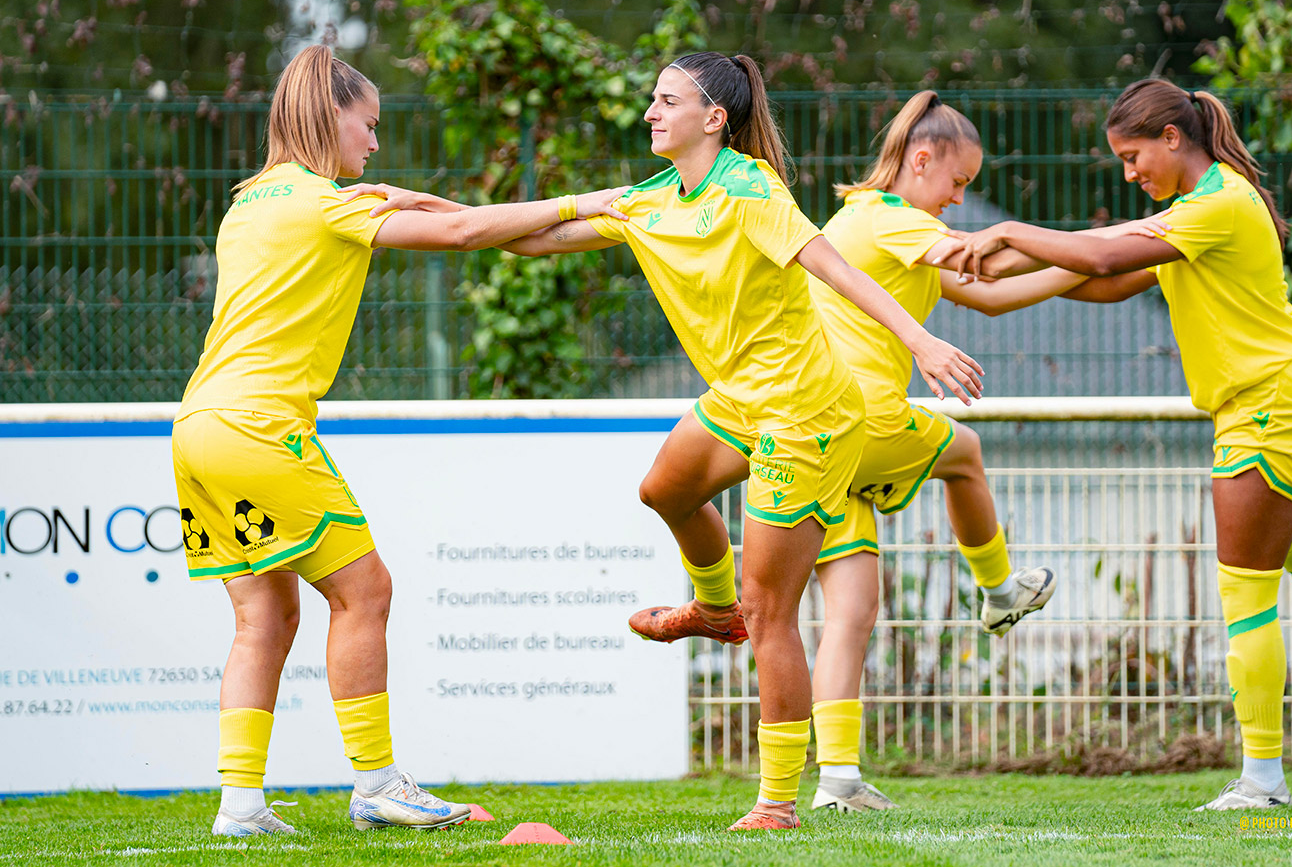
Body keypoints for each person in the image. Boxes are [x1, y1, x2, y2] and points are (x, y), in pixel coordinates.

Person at [368, 51, 984, 829]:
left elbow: (833, 268)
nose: (650, 113)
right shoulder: (652, 198)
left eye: (666, 100)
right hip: (741, 398)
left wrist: (921, 341)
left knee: (773, 612)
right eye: (653, 99)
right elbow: (531, 238)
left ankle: (776, 803)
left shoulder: (751, 188)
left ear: (714, 118)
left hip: (805, 413)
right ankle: (715, 608)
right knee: (665, 490)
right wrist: (419, 205)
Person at [173, 44, 627, 836]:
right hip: (259, 426)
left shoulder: (252, 201)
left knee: (263, 618)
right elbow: (464, 235)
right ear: (332, 115)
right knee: (366, 592)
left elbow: (449, 223)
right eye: (369, 124)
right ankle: (378, 785)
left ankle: (239, 807)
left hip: (197, 427)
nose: (375, 143)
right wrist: (592, 199)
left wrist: (411, 198)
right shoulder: (324, 204)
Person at [957, 78, 1292, 811]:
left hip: (1269, 402)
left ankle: (1263, 781)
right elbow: (1104, 276)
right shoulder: (1194, 209)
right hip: (1269, 400)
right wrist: (985, 275)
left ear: (1173, 138)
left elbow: (1104, 258)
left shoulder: (1219, 203)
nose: (1128, 173)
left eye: (1133, 156)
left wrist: (1010, 234)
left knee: (1245, 590)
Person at [803, 91, 1095, 812]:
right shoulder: (893, 219)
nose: (959, 200)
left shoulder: (866, 222)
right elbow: (981, 261)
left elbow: (987, 296)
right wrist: (1109, 247)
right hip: (859, 418)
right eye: (957, 182)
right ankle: (998, 593)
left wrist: (1092, 268)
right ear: (922, 159)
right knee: (963, 449)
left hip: (813, 438)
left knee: (851, 613)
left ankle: (837, 780)